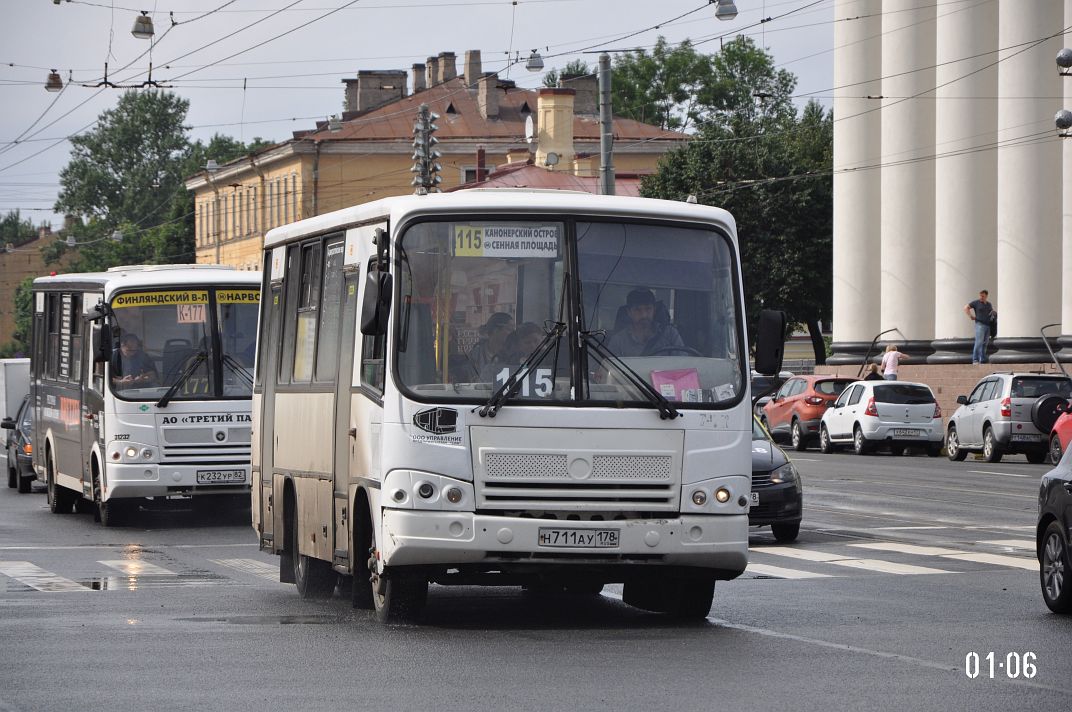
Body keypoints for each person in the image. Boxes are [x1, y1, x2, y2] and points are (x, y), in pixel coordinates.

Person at [606, 288, 686, 357]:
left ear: (654, 310)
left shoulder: (670, 334)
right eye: (638, 310)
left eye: (648, 309)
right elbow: (610, 370)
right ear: (629, 312)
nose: (644, 315)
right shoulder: (618, 341)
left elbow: (683, 364)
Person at [466, 312, 514, 379]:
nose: (512, 334)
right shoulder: (475, 354)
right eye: (509, 329)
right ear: (496, 330)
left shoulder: (513, 353)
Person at [964, 289, 996, 364]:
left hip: (988, 325)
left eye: (983, 296)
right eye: (980, 296)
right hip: (980, 325)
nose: (981, 297)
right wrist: (970, 315)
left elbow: (991, 312)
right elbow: (966, 307)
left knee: (985, 343)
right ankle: (975, 359)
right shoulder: (976, 303)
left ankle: (983, 358)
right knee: (979, 342)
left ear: (986, 296)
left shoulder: (989, 304)